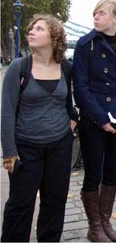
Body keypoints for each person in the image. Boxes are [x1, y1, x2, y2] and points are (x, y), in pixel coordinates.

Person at [1, 14, 78, 242]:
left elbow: (73, 99)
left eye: (39, 28)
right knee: (20, 204)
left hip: (59, 146)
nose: (31, 32)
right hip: (26, 148)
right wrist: (9, 152)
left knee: (55, 202)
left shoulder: (65, 68)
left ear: (54, 37)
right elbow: (6, 111)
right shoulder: (19, 68)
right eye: (31, 29)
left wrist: (74, 120)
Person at [72, 0, 116, 242]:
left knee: (112, 172)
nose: (96, 17)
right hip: (94, 120)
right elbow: (80, 87)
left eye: (101, 13)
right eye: (94, 13)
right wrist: (101, 119)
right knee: (93, 173)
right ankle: (94, 227)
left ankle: (105, 222)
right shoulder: (85, 45)